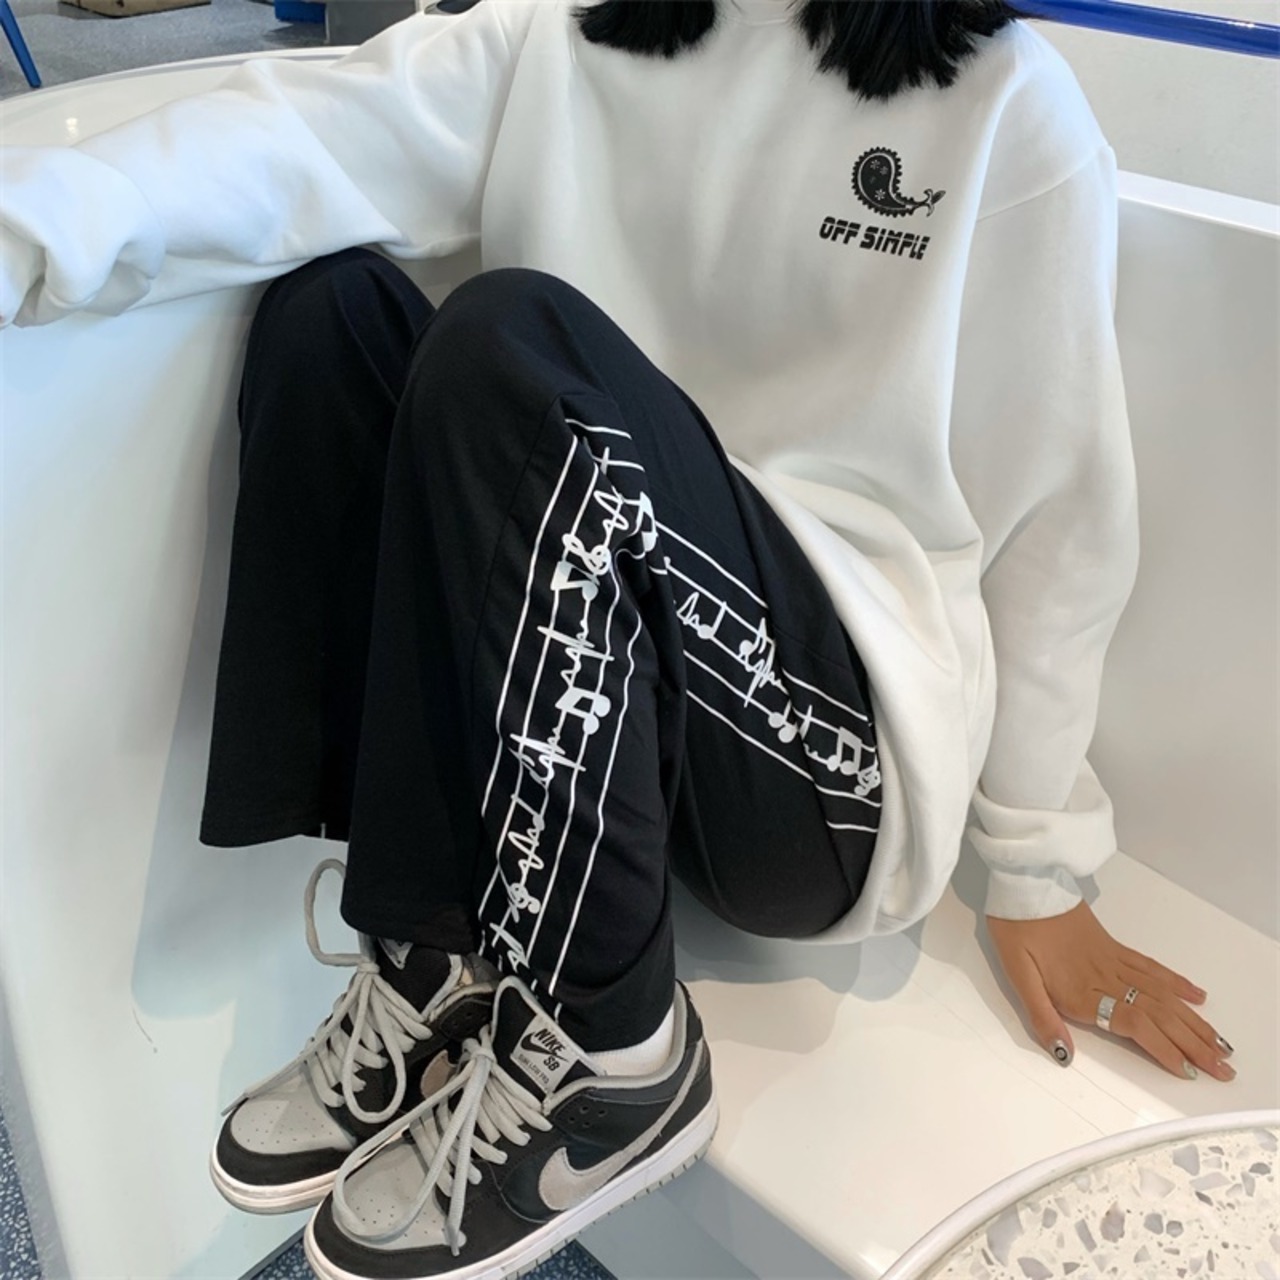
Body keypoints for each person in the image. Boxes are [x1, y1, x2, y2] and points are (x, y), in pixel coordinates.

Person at [0, 1, 1238, 1276]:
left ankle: (618, 1050)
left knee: (508, 342)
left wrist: (1037, 870)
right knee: (332, 314)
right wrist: (21, 220)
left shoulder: (1006, 106)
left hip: (821, 763)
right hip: (605, 707)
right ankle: (442, 955)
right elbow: (293, 135)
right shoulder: (563, 37)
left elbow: (1056, 525)